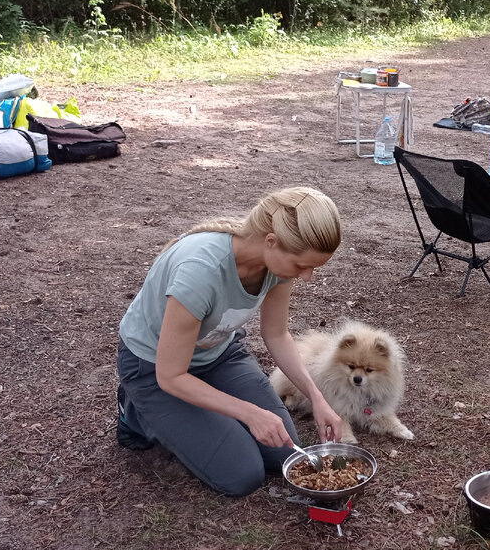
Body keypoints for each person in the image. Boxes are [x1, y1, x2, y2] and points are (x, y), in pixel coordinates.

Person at [115, 186, 345, 496]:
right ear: (272, 242)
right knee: (241, 474)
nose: (307, 277)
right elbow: (171, 376)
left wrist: (316, 397)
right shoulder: (200, 273)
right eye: (302, 266)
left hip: (218, 354)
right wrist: (248, 413)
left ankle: (205, 418)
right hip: (155, 369)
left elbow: (277, 334)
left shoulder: (277, 265)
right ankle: (137, 412)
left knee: (284, 455)